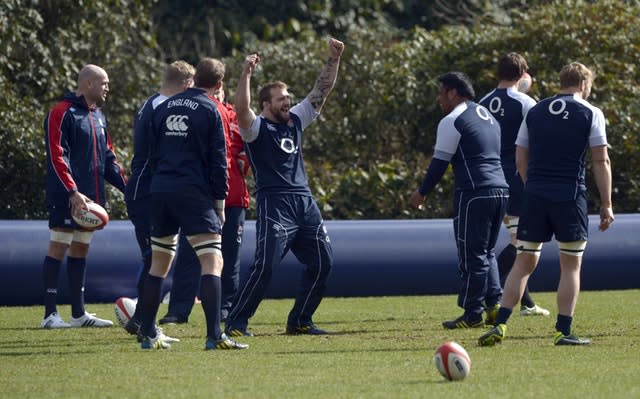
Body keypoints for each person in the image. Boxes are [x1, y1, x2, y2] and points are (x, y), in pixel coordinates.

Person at [478, 62, 613, 346]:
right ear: (584, 85)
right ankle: (563, 331)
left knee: (523, 262)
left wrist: (532, 186)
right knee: (571, 265)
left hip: (535, 194)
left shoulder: (536, 110)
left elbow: (520, 156)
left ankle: (500, 324)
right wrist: (606, 203)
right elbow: (601, 160)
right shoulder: (590, 112)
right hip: (568, 195)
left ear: (561, 81)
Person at [224, 38, 344, 337]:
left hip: (304, 202)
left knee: (323, 261)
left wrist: (333, 59)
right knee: (265, 266)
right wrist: (246, 73)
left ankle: (301, 321)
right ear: (266, 104)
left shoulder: (295, 121)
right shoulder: (255, 128)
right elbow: (240, 107)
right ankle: (236, 323)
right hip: (275, 204)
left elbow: (321, 92)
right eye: (281, 98)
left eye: (288, 96)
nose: (288, 101)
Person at [137, 57, 248, 350]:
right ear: (219, 84)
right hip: (192, 192)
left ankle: (147, 332)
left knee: (158, 264)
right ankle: (214, 335)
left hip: (160, 189)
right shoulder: (213, 110)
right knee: (213, 260)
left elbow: (151, 154)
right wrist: (220, 205)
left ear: (195, 77)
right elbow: (219, 162)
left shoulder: (164, 106)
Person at [409, 72, 508, 329]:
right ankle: (494, 306)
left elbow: (439, 164)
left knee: (471, 254)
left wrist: (421, 193)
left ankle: (472, 313)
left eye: (441, 92)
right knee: (488, 252)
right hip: (501, 190)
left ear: (454, 92)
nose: (439, 98)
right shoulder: (489, 117)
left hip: (474, 193)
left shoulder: (452, 120)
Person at [41, 64, 127, 328]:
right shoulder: (61, 113)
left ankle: (78, 314)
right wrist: (72, 191)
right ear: (88, 84)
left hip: (92, 198)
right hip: (68, 196)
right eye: (104, 84)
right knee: (59, 246)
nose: (107, 89)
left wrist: (129, 188)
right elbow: (57, 156)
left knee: (81, 249)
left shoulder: (99, 116)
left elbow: (108, 159)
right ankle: (50, 315)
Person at [158, 84, 251, 325]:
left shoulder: (235, 117)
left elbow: (249, 144)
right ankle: (178, 310)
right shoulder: (197, 112)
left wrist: (244, 158)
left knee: (229, 257)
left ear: (223, 91)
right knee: (189, 255)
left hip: (233, 199)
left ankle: (224, 310)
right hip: (199, 198)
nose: (215, 97)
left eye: (218, 93)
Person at [123, 60, 195, 342]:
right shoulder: (161, 108)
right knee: (155, 258)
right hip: (147, 191)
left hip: (148, 189)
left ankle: (142, 320)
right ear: (187, 85)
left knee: (156, 257)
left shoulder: (152, 103)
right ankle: (146, 325)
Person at [478, 52, 550, 321]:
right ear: (522, 74)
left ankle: (525, 302)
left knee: (515, 240)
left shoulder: (482, 102)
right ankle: (492, 292)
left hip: (489, 177)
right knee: (524, 244)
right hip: (517, 179)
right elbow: (535, 142)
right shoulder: (527, 103)